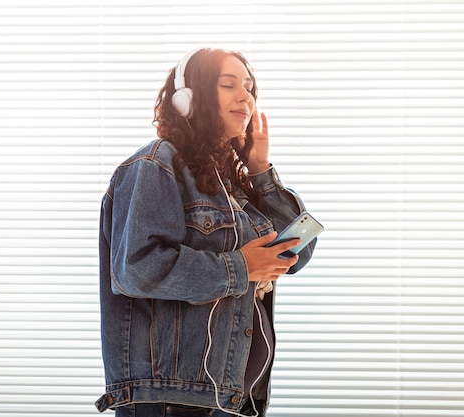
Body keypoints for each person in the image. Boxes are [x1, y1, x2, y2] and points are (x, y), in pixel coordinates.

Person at [95, 47, 317, 417]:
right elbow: (136, 270)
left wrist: (260, 170)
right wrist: (241, 269)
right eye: (228, 84)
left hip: (230, 401)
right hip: (172, 402)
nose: (245, 96)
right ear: (188, 98)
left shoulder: (234, 186)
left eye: (249, 87)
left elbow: (297, 255)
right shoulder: (155, 165)